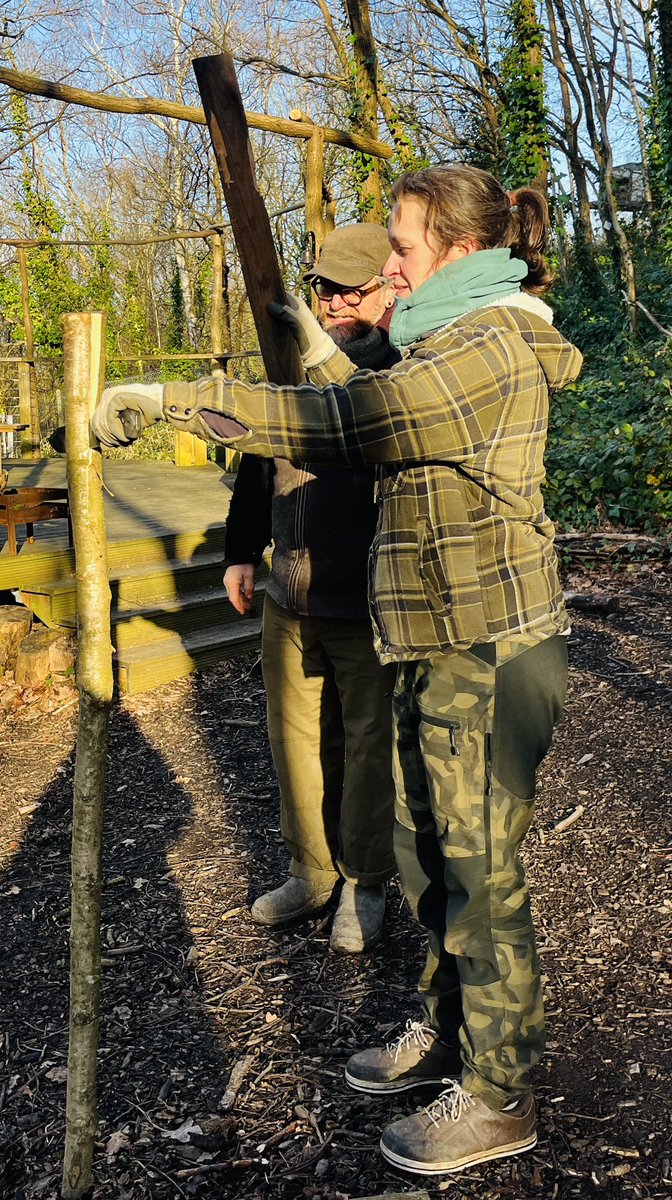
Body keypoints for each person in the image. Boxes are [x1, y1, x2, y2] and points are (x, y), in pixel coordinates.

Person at [93, 164, 583, 1177]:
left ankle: (499, 1092)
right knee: (421, 847)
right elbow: (383, 402)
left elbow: (354, 428)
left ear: (453, 250)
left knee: (476, 868)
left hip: (485, 649)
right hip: (431, 637)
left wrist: (177, 401)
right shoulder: (450, 336)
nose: (389, 268)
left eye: (401, 248)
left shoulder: (491, 343)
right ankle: (447, 1029)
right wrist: (328, 361)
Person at [222, 223, 399, 953]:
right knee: (293, 741)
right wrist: (241, 550)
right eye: (322, 287)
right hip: (288, 590)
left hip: (363, 595)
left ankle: (366, 880)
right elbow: (263, 454)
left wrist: (325, 359)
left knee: (366, 749)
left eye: (347, 290)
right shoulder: (290, 359)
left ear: (388, 290)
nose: (329, 302)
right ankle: (312, 871)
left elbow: (373, 423)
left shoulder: (404, 364)